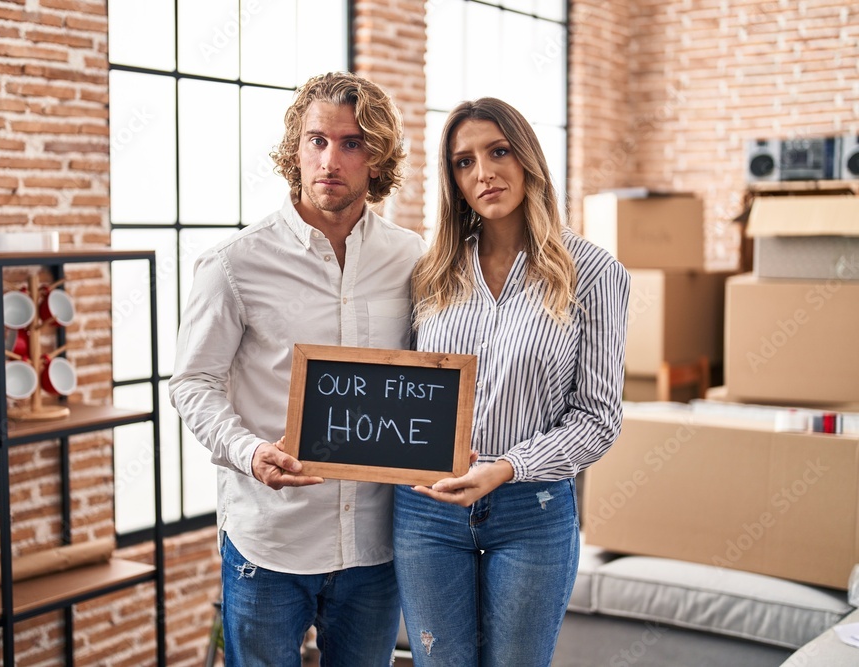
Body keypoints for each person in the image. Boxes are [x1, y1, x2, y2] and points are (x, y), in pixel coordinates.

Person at [169, 72, 426, 666]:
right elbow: (192, 382)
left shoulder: (412, 259)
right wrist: (248, 451)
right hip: (269, 541)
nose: (330, 160)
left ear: (378, 158)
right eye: (316, 140)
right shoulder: (234, 263)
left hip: (373, 546)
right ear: (296, 148)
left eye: (351, 143)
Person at [393, 97, 630, 666]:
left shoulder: (594, 274)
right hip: (428, 511)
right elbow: (403, 392)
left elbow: (599, 418)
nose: (484, 172)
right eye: (463, 161)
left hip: (534, 510)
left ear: (528, 159)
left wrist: (506, 466)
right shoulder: (430, 275)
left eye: (498, 151)